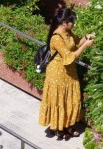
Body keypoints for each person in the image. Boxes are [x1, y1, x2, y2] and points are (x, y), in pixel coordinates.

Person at [38, 7, 95, 141]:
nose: (73, 23)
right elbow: (69, 56)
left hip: (69, 72)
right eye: (72, 21)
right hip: (57, 73)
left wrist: (85, 38)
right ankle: (59, 128)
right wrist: (85, 46)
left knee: (69, 99)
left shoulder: (68, 33)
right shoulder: (56, 38)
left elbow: (75, 44)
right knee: (59, 100)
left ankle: (67, 125)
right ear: (64, 22)